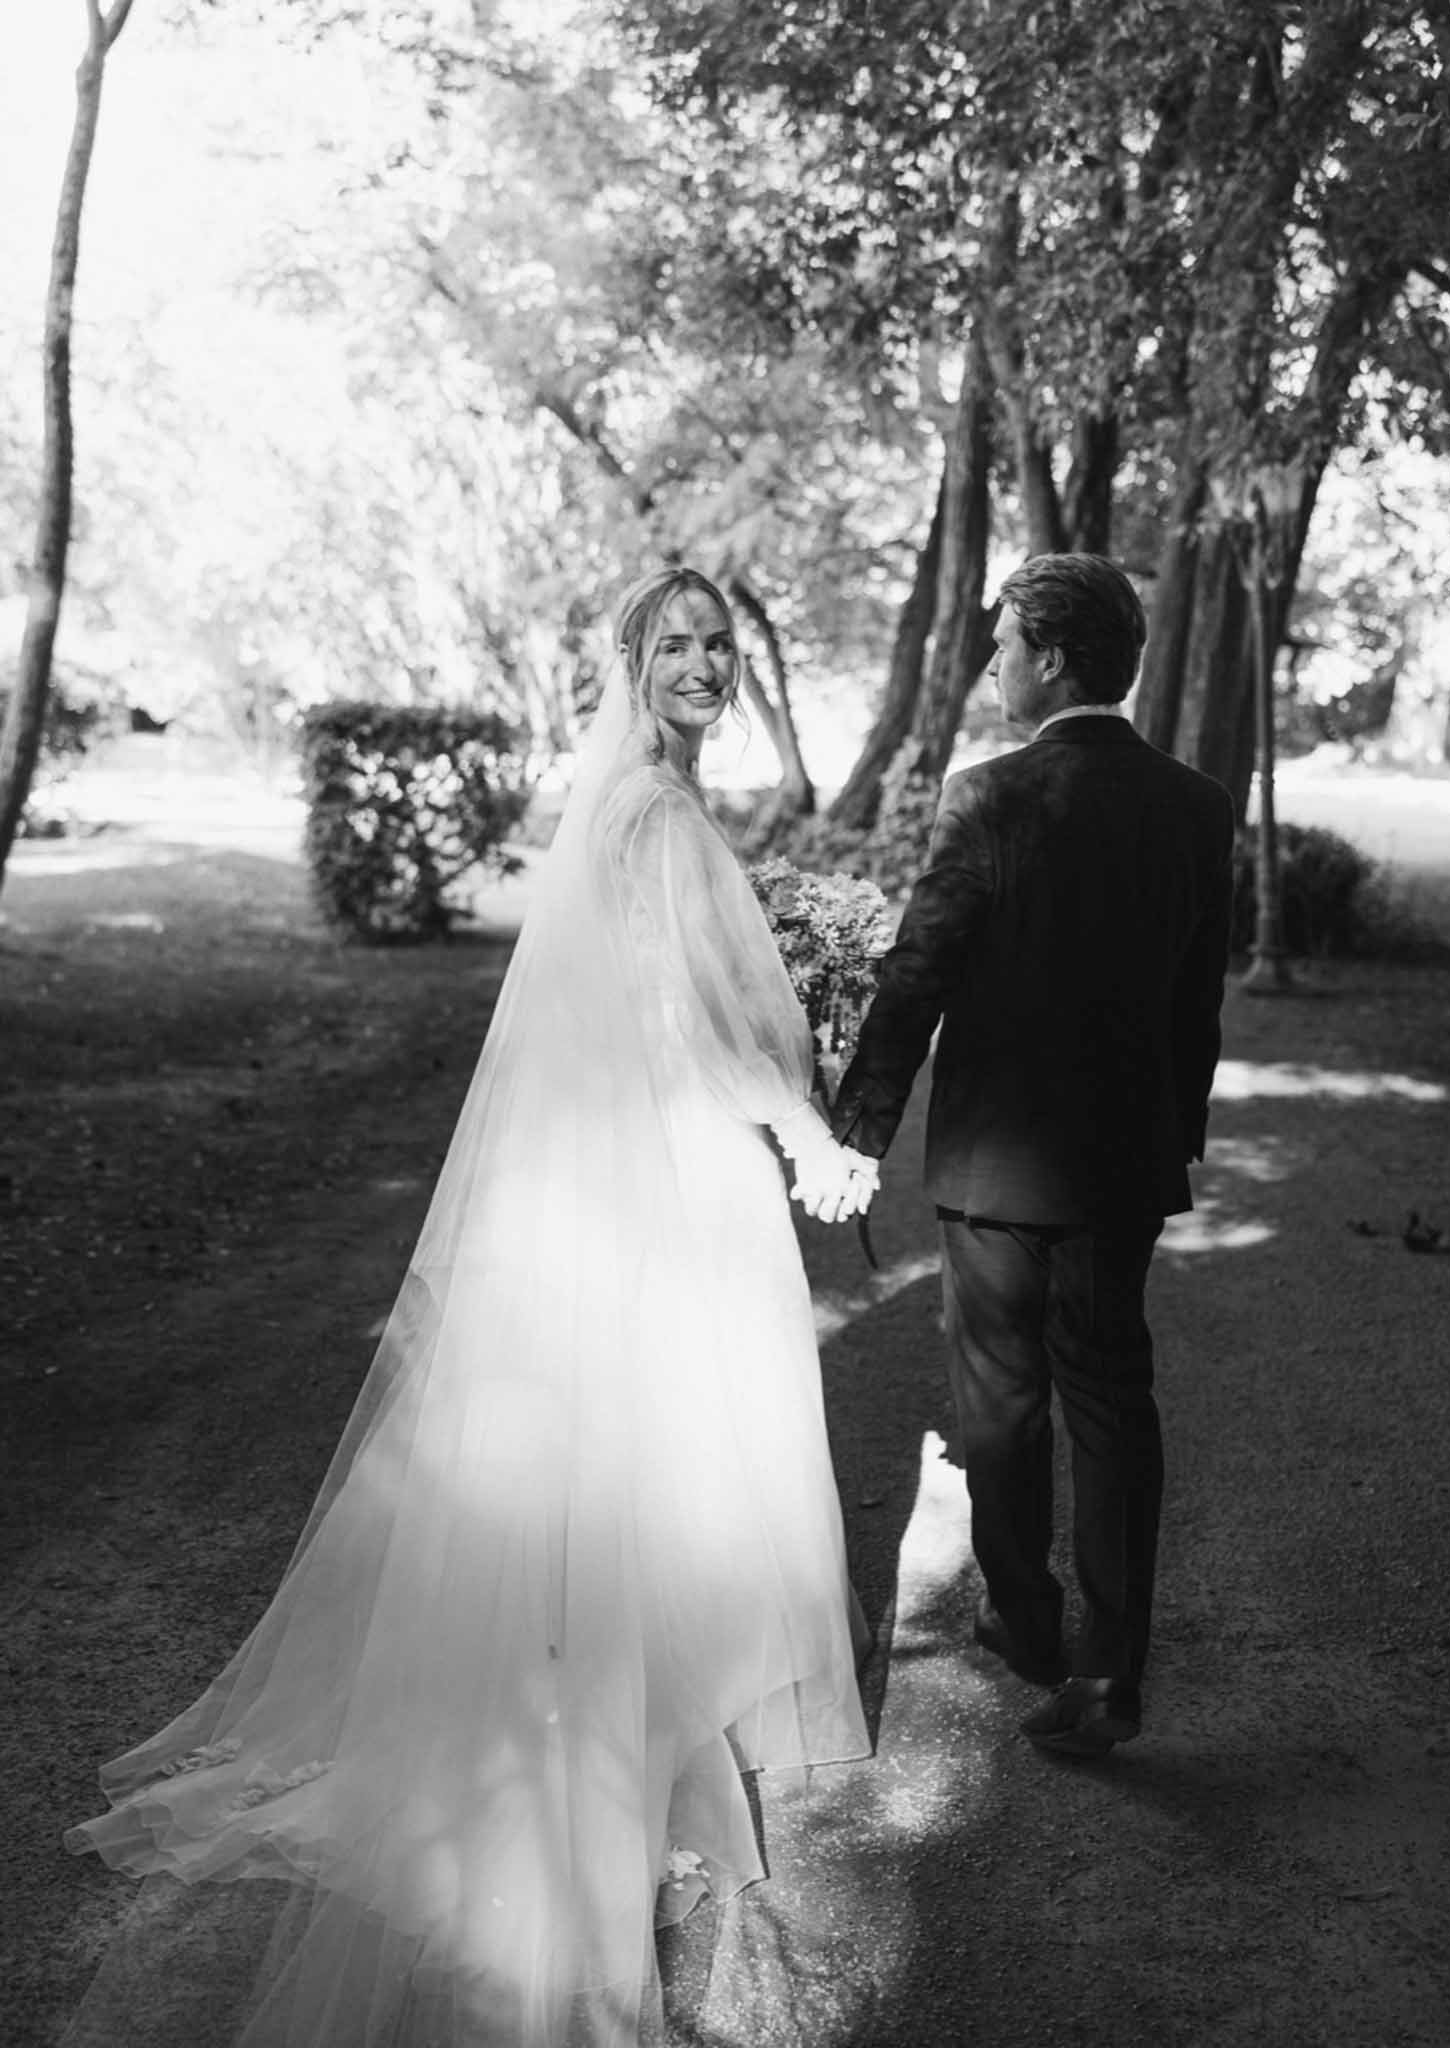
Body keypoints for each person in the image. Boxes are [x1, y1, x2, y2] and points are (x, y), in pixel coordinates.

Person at [63, 567, 876, 2048]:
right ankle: (601, 1802)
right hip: (664, 1185)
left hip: (641, 1172)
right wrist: (802, 1128)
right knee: (664, 1471)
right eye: (673, 647)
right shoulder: (649, 816)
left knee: (653, 1475)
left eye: (715, 648)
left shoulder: (649, 808)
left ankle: (637, 1764)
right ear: (630, 665)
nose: (700, 667)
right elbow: (677, 1022)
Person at [831, 552, 1234, 1757]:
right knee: (1112, 1401)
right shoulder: (1196, 806)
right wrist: (1176, 1138)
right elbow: (1192, 1009)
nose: (993, 663)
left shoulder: (987, 793)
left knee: (999, 1402)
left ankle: (1027, 1620)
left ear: (1052, 657)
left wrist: (859, 1123)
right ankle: (1111, 1672)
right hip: (1122, 1165)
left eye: (1004, 643)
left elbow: (921, 971)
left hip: (998, 1171)